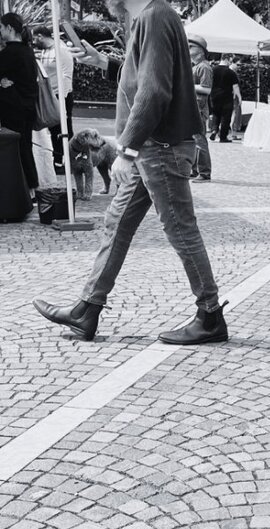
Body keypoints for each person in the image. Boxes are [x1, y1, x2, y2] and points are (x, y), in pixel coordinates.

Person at [33, 0, 228, 346]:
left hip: (158, 147)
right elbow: (144, 76)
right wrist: (105, 63)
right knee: (117, 222)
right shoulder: (152, 17)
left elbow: (155, 91)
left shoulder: (154, 16)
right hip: (154, 147)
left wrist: (127, 149)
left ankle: (210, 315)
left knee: (180, 229)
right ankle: (87, 309)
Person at [0, 13, 39, 191]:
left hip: (13, 109)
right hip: (28, 107)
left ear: (9, 28)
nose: (0, 31)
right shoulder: (28, 51)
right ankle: (31, 187)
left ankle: (26, 189)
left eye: (1, 27)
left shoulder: (9, 53)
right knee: (25, 147)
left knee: (16, 150)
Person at [32, 24, 74, 170]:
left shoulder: (61, 50)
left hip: (61, 95)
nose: (33, 42)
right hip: (49, 95)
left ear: (40, 36)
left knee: (64, 128)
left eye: (34, 39)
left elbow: (67, 75)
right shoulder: (44, 51)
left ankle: (70, 161)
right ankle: (58, 161)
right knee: (53, 129)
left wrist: (61, 99)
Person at [189, 33, 212, 181]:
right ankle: (196, 170)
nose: (188, 49)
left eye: (191, 47)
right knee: (193, 141)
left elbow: (207, 89)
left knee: (199, 141)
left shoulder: (204, 67)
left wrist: (186, 84)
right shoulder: (197, 67)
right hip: (193, 107)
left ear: (201, 51)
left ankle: (204, 173)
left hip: (199, 108)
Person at [209, 53, 240, 143]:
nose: (231, 62)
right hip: (227, 97)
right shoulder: (230, 72)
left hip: (214, 95)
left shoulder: (212, 70)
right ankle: (223, 137)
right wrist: (239, 97)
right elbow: (235, 87)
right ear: (226, 59)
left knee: (216, 114)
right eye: (230, 60)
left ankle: (214, 130)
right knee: (226, 116)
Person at [229, 56, 243, 140]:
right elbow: (235, 86)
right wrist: (239, 96)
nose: (239, 67)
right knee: (235, 114)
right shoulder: (232, 72)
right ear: (233, 63)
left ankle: (232, 133)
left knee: (233, 114)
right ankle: (233, 134)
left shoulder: (233, 71)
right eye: (238, 64)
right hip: (233, 96)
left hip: (231, 96)